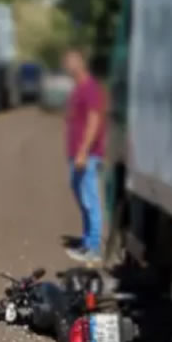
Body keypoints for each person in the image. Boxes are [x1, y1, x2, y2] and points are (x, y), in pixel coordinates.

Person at [63, 49, 107, 263]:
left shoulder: (90, 88)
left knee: (90, 199)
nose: (68, 65)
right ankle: (87, 241)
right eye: (66, 62)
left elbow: (94, 120)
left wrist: (83, 151)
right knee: (82, 198)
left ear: (81, 62)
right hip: (77, 155)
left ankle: (94, 248)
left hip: (86, 156)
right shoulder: (78, 89)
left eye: (72, 61)